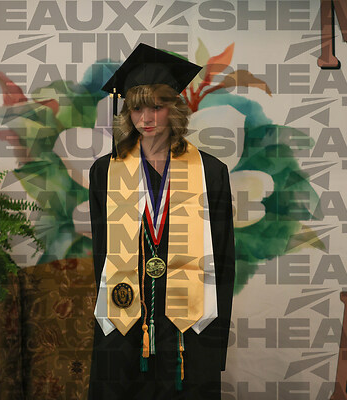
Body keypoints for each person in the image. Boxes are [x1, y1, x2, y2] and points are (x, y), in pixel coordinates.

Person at [88, 43, 235, 400]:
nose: (147, 118)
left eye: (157, 106)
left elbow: (224, 260)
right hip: (125, 320)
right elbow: (101, 256)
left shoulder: (211, 172)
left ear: (175, 108)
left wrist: (215, 343)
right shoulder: (105, 172)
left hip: (188, 325)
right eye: (137, 108)